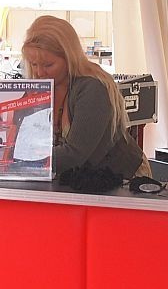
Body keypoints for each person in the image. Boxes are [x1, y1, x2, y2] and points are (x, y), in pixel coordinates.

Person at [21, 15, 150, 180]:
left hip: (122, 179)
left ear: (69, 57)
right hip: (80, 178)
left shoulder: (93, 88)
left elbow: (75, 154)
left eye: (48, 65)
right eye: (33, 64)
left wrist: (18, 161)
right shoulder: (41, 87)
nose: (39, 72)